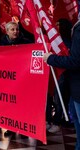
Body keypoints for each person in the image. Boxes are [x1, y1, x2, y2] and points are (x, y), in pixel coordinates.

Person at [43, 17, 80, 150]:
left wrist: (51, 59)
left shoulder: (75, 33)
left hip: (74, 83)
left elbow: (75, 61)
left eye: (58, 24)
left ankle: (58, 120)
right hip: (73, 84)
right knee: (75, 118)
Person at [0, 21, 31, 136]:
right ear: (7, 31)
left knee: (22, 104)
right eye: (12, 29)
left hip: (22, 79)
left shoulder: (26, 42)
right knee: (10, 105)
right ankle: (11, 128)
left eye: (17, 29)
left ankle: (23, 129)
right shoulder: (1, 43)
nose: (15, 32)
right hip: (8, 80)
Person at [47, 18, 72, 133]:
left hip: (62, 74)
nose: (55, 26)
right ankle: (50, 119)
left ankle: (57, 121)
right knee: (51, 98)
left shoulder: (66, 42)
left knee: (59, 98)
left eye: (58, 24)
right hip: (52, 73)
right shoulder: (53, 40)